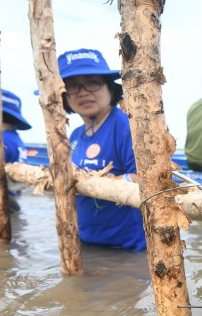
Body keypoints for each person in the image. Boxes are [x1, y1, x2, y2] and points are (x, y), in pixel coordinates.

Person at [59, 48, 146, 252]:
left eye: (92, 82)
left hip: (126, 249)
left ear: (109, 86)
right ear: (64, 96)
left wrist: (100, 183)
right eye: (72, 86)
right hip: (86, 243)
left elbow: (146, 179)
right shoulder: (75, 135)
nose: (83, 92)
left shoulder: (125, 125)